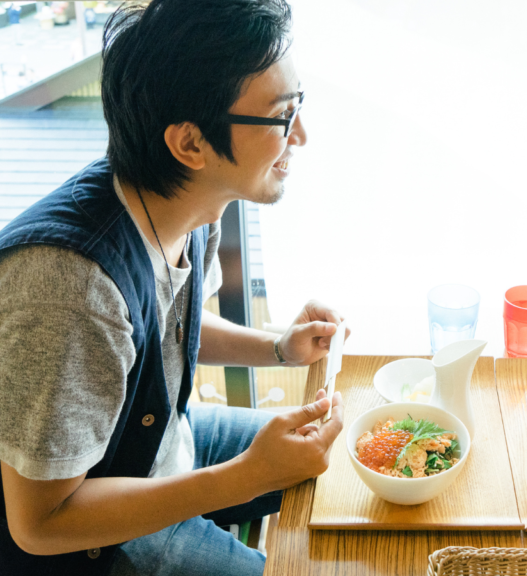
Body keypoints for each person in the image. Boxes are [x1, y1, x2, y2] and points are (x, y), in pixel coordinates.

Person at [0, 1, 348, 574]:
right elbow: (40, 524)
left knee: (342, 447)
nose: (301, 136)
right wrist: (244, 477)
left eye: (299, 105)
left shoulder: (191, 203)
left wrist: (278, 349)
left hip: (168, 443)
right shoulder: (67, 288)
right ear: (190, 144)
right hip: (97, 532)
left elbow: (164, 328)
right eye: (283, 117)